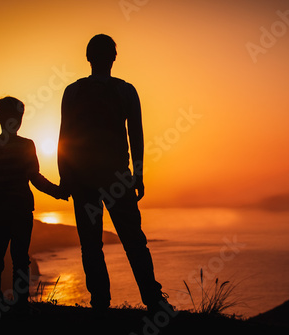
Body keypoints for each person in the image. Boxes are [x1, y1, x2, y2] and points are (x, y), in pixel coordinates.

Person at [58, 34, 171, 314]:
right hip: (118, 178)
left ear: (88, 57)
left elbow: (64, 137)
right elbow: (136, 135)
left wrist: (64, 176)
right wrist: (139, 175)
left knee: (91, 244)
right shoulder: (126, 91)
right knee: (134, 240)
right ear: (114, 57)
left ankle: (100, 303)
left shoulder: (72, 91)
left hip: (83, 180)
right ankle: (154, 301)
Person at [0, 96, 68, 312]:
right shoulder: (26, 145)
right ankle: (20, 305)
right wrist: (58, 192)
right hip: (20, 211)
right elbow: (35, 178)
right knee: (20, 259)